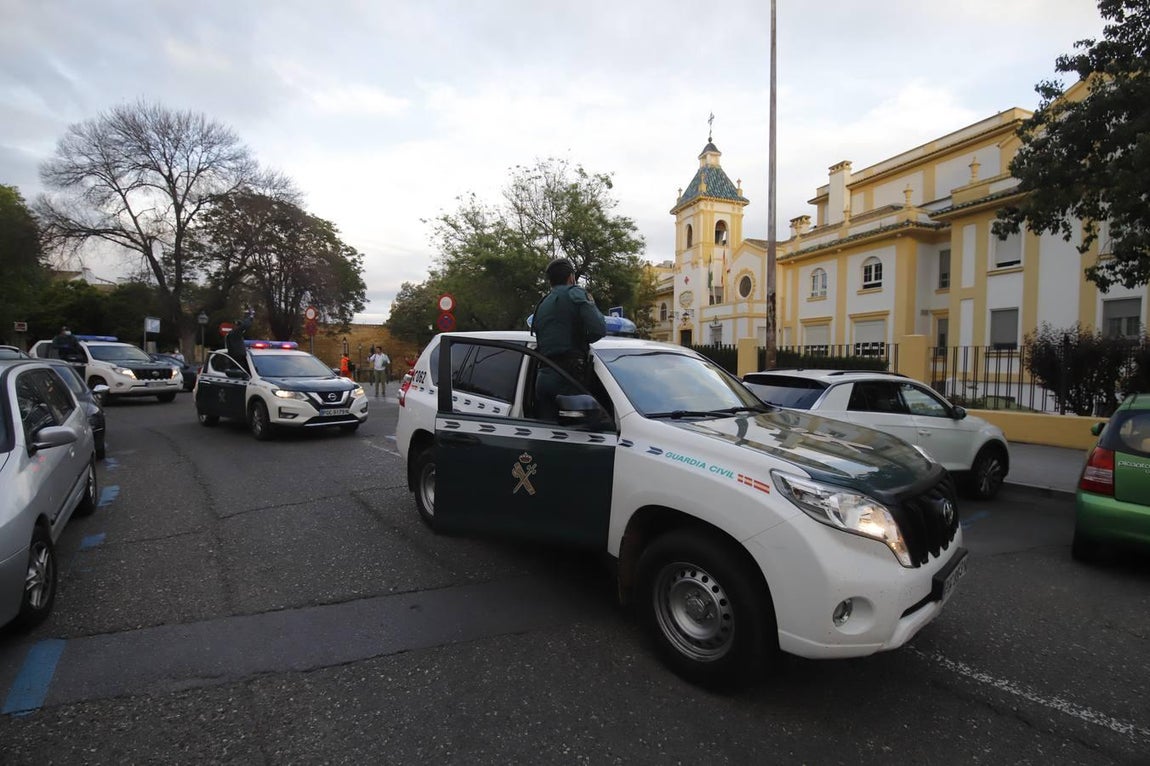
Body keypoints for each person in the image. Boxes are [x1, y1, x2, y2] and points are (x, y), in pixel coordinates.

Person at [532, 258, 606, 421]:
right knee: (577, 436)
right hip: (568, 378)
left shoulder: (542, 303)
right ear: (571, 277)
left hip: (543, 378)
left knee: (547, 434)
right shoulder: (575, 293)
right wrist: (583, 340)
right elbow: (599, 329)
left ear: (550, 281)